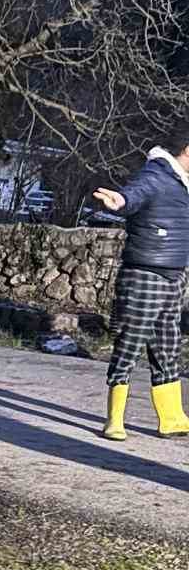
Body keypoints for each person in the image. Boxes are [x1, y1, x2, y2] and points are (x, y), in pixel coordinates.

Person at [93, 135, 189, 440]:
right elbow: (133, 194)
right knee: (131, 342)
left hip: (175, 272)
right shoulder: (157, 174)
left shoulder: (182, 183)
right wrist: (119, 201)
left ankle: (172, 417)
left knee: (168, 345)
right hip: (145, 272)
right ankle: (114, 419)